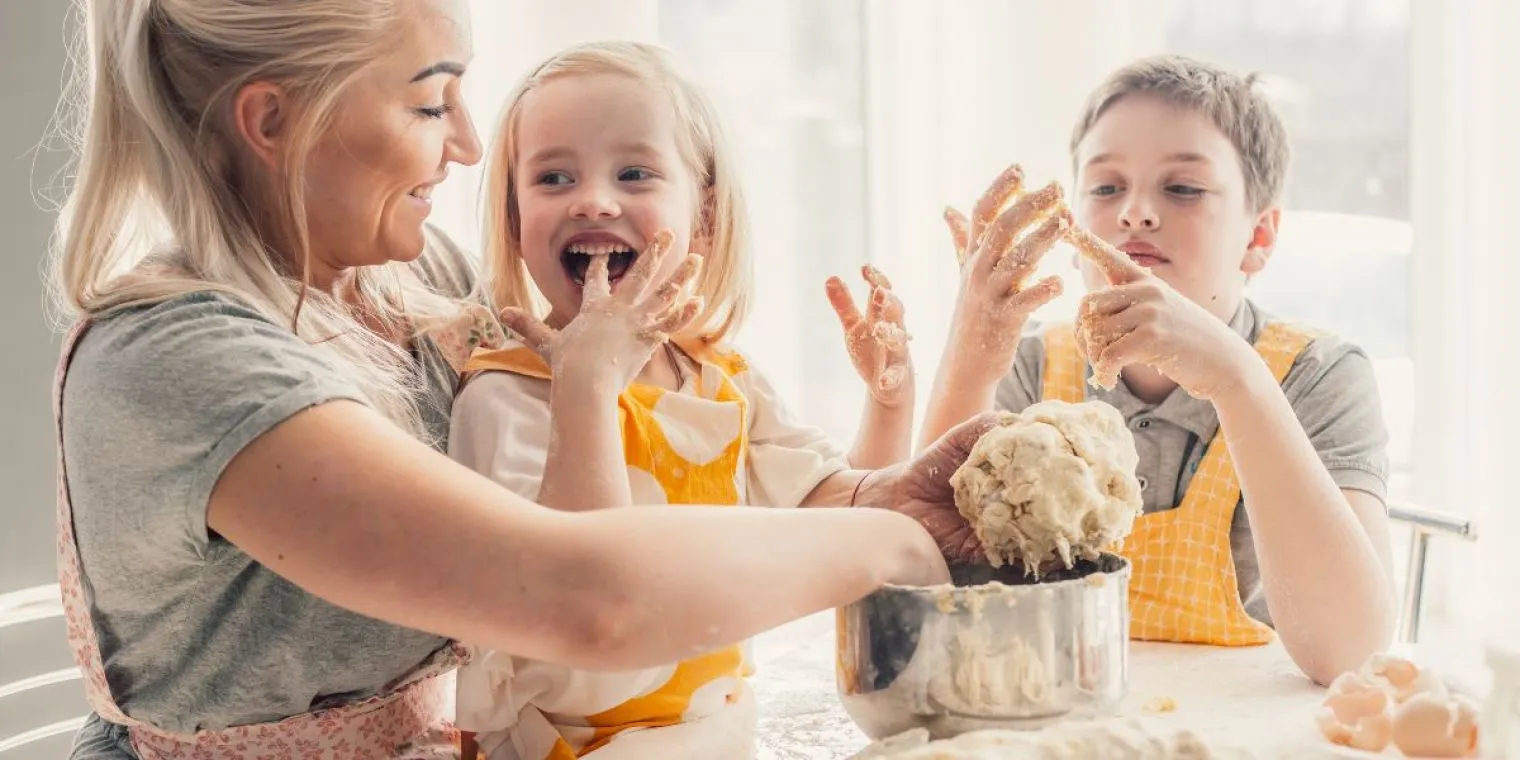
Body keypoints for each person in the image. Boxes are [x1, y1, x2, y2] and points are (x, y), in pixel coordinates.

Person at [50, 3, 989, 757]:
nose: (466, 145)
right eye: (430, 103)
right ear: (273, 121)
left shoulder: (415, 284)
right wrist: (893, 536)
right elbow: (586, 600)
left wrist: (896, 465)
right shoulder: (181, 365)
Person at [445, 41, 921, 759]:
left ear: (702, 213)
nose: (594, 199)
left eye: (633, 173)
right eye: (553, 177)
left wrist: (890, 404)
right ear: (515, 220)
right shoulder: (506, 392)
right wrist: (589, 385)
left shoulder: (720, 376)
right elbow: (581, 600)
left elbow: (841, 522)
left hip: (715, 733)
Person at [919, 54, 1397, 685]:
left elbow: (1349, 654)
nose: (1135, 214)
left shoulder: (1319, 375)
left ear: (1260, 236)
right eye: (1106, 187)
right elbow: (923, 591)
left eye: (1183, 189)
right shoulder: (1031, 368)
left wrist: (1237, 379)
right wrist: (968, 356)